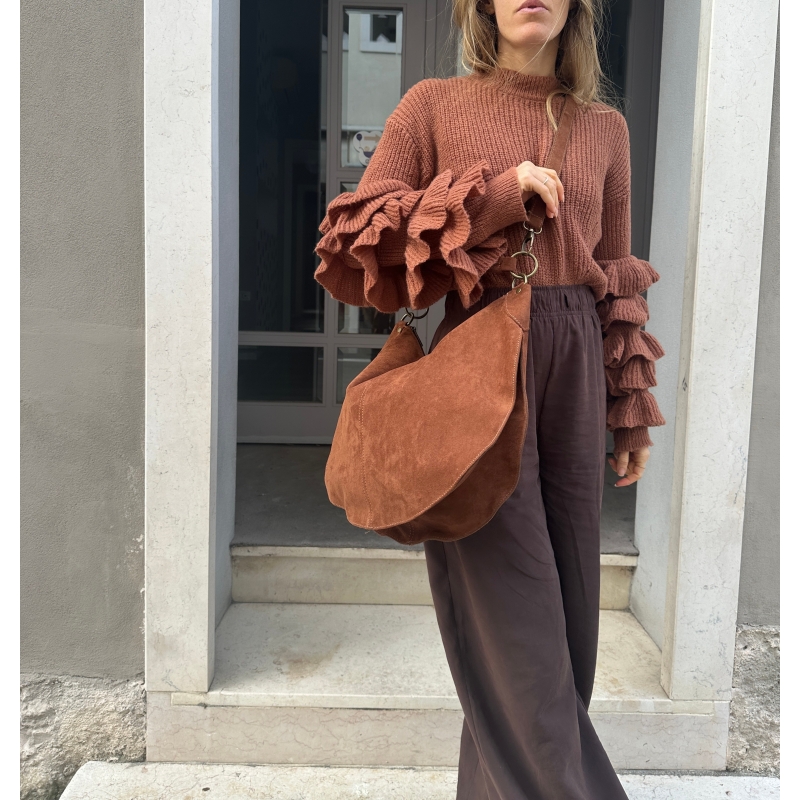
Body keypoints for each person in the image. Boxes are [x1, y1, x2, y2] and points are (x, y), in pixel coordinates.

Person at [315, 0, 666, 796]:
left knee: (569, 618)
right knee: (517, 619)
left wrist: (629, 411)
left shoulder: (606, 129)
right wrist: (497, 197)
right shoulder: (433, 106)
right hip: (479, 356)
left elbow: (617, 279)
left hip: (576, 362)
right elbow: (355, 235)